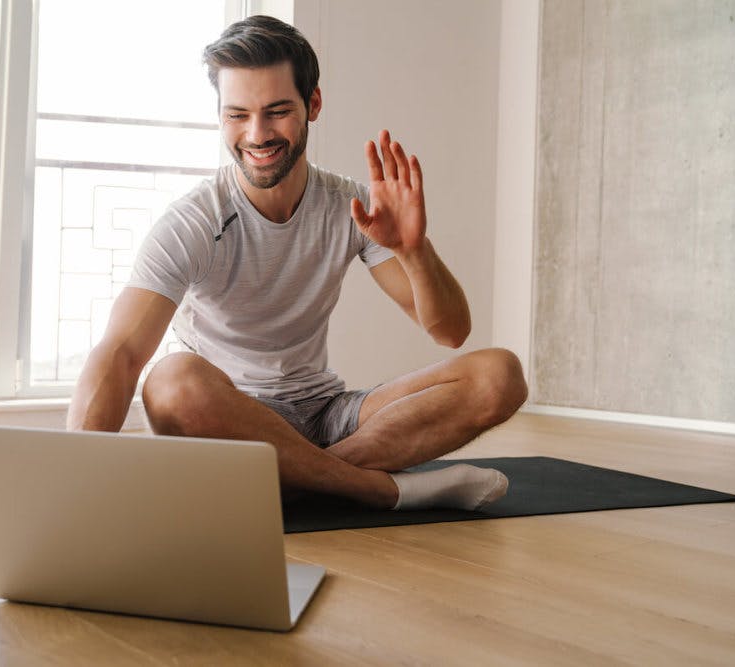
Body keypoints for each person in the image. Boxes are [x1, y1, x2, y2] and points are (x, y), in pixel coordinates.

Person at [66, 15, 527, 510]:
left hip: (326, 415)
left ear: (314, 104)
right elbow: (120, 353)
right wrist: (77, 487)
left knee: (499, 375)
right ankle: (379, 488)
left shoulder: (349, 205)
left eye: (277, 111)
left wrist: (415, 251)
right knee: (171, 381)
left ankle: (302, 478)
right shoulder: (194, 221)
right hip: (229, 419)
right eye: (237, 115)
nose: (257, 134)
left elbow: (450, 331)